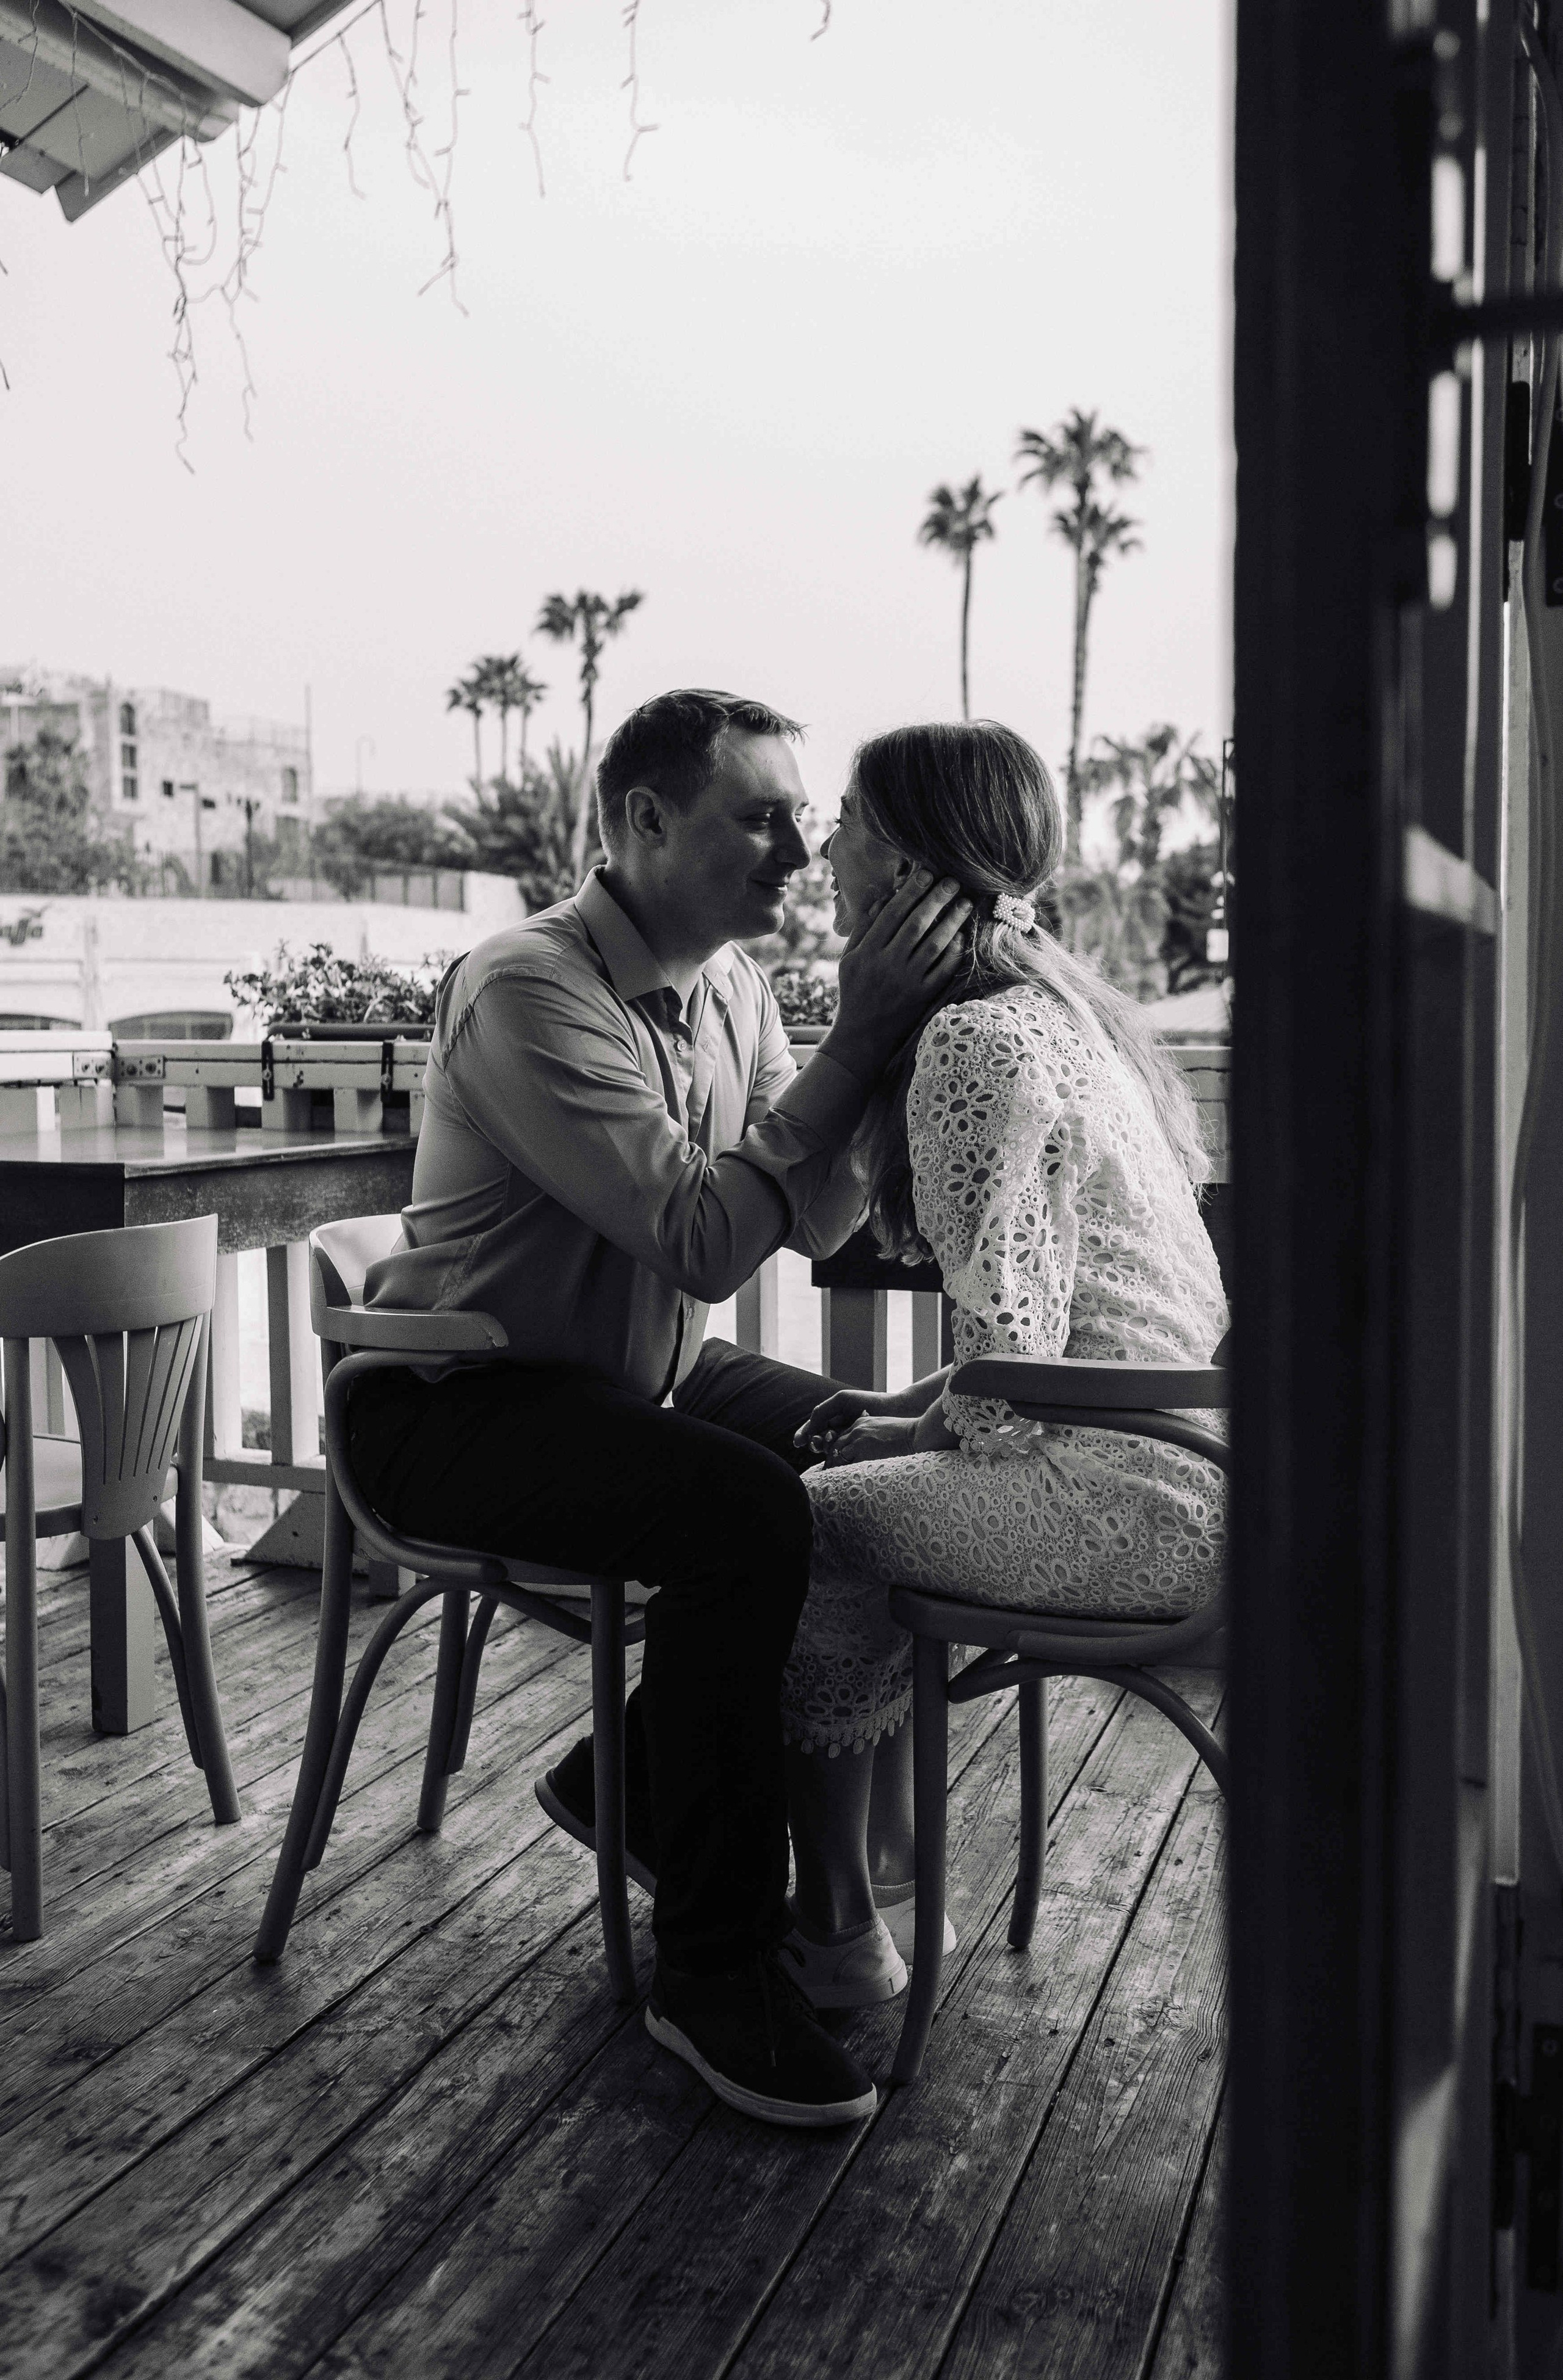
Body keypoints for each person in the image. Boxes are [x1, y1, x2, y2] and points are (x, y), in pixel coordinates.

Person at [351, 688, 971, 2130]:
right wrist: (853, 1043)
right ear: (640, 820)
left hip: (630, 1378)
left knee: (868, 1440)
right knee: (737, 1513)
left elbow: (808, 1224)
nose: (796, 854)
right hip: (455, 1398)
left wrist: (864, 1050)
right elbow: (700, 1237)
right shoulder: (527, 986)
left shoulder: (738, 991)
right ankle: (714, 1966)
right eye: (757, 817)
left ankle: (627, 1772)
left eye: (802, 822)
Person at [774, 719, 1228, 2007]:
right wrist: (894, 1415)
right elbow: (1066, 1344)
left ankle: (841, 1924)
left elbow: (1011, 1388)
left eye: (850, 817)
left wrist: (898, 1434)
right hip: (1187, 1467)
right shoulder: (1070, 1016)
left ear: (913, 863)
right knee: (847, 1484)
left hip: (1122, 1500)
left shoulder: (973, 1044)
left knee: (795, 1525)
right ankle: (876, 1866)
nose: (824, 846)